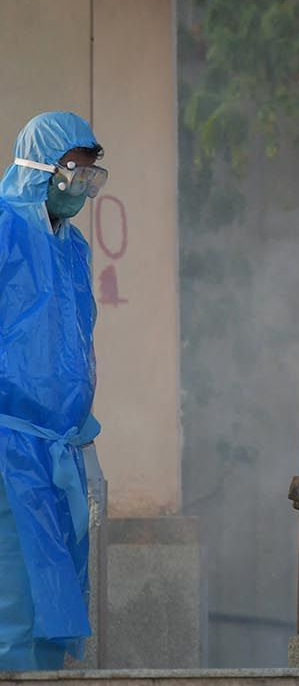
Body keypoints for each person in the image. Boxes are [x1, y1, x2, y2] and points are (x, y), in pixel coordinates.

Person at [0, 112, 107, 669]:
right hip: (9, 445)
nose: (83, 185)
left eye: (92, 174)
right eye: (75, 171)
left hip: (60, 447)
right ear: (41, 167)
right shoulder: (4, 229)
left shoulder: (73, 247)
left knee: (54, 593)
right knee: (14, 592)